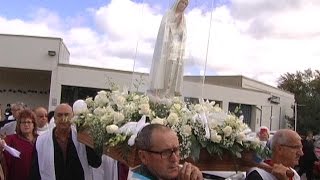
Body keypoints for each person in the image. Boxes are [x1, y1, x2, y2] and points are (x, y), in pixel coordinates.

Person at [29, 103, 102, 180]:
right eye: (59, 115)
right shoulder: (41, 141)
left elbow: (96, 163)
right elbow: (35, 171)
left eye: (66, 115)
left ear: (73, 117)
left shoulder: (82, 137)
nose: (63, 118)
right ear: (54, 119)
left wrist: (90, 138)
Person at [129, 124, 203, 180]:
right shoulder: (135, 178)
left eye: (176, 150)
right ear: (143, 157)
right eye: (166, 153)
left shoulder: (182, 173)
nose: (175, 159)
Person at [148, 0, 189, 98]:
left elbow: (184, 34)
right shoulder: (168, 14)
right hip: (166, 51)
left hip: (176, 51)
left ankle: (169, 94)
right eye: (182, 2)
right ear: (177, 2)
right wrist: (175, 23)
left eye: (185, 4)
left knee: (173, 72)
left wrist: (180, 27)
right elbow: (163, 29)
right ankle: (160, 94)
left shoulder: (184, 19)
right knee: (164, 71)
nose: (183, 5)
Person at [0, 109, 38, 180]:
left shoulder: (40, 140)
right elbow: (3, 159)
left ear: (34, 124)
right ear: (19, 125)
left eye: (29, 122)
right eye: (23, 122)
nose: (26, 124)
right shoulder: (10, 139)